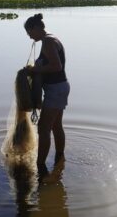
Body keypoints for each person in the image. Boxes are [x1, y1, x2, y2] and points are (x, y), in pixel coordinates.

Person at [24, 13, 70, 175]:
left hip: (56, 89)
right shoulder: (51, 39)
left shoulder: (48, 42)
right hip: (59, 87)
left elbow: (56, 66)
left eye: (29, 32)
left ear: (35, 28)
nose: (30, 37)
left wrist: (34, 69)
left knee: (44, 129)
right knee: (56, 126)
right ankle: (59, 159)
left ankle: (40, 167)